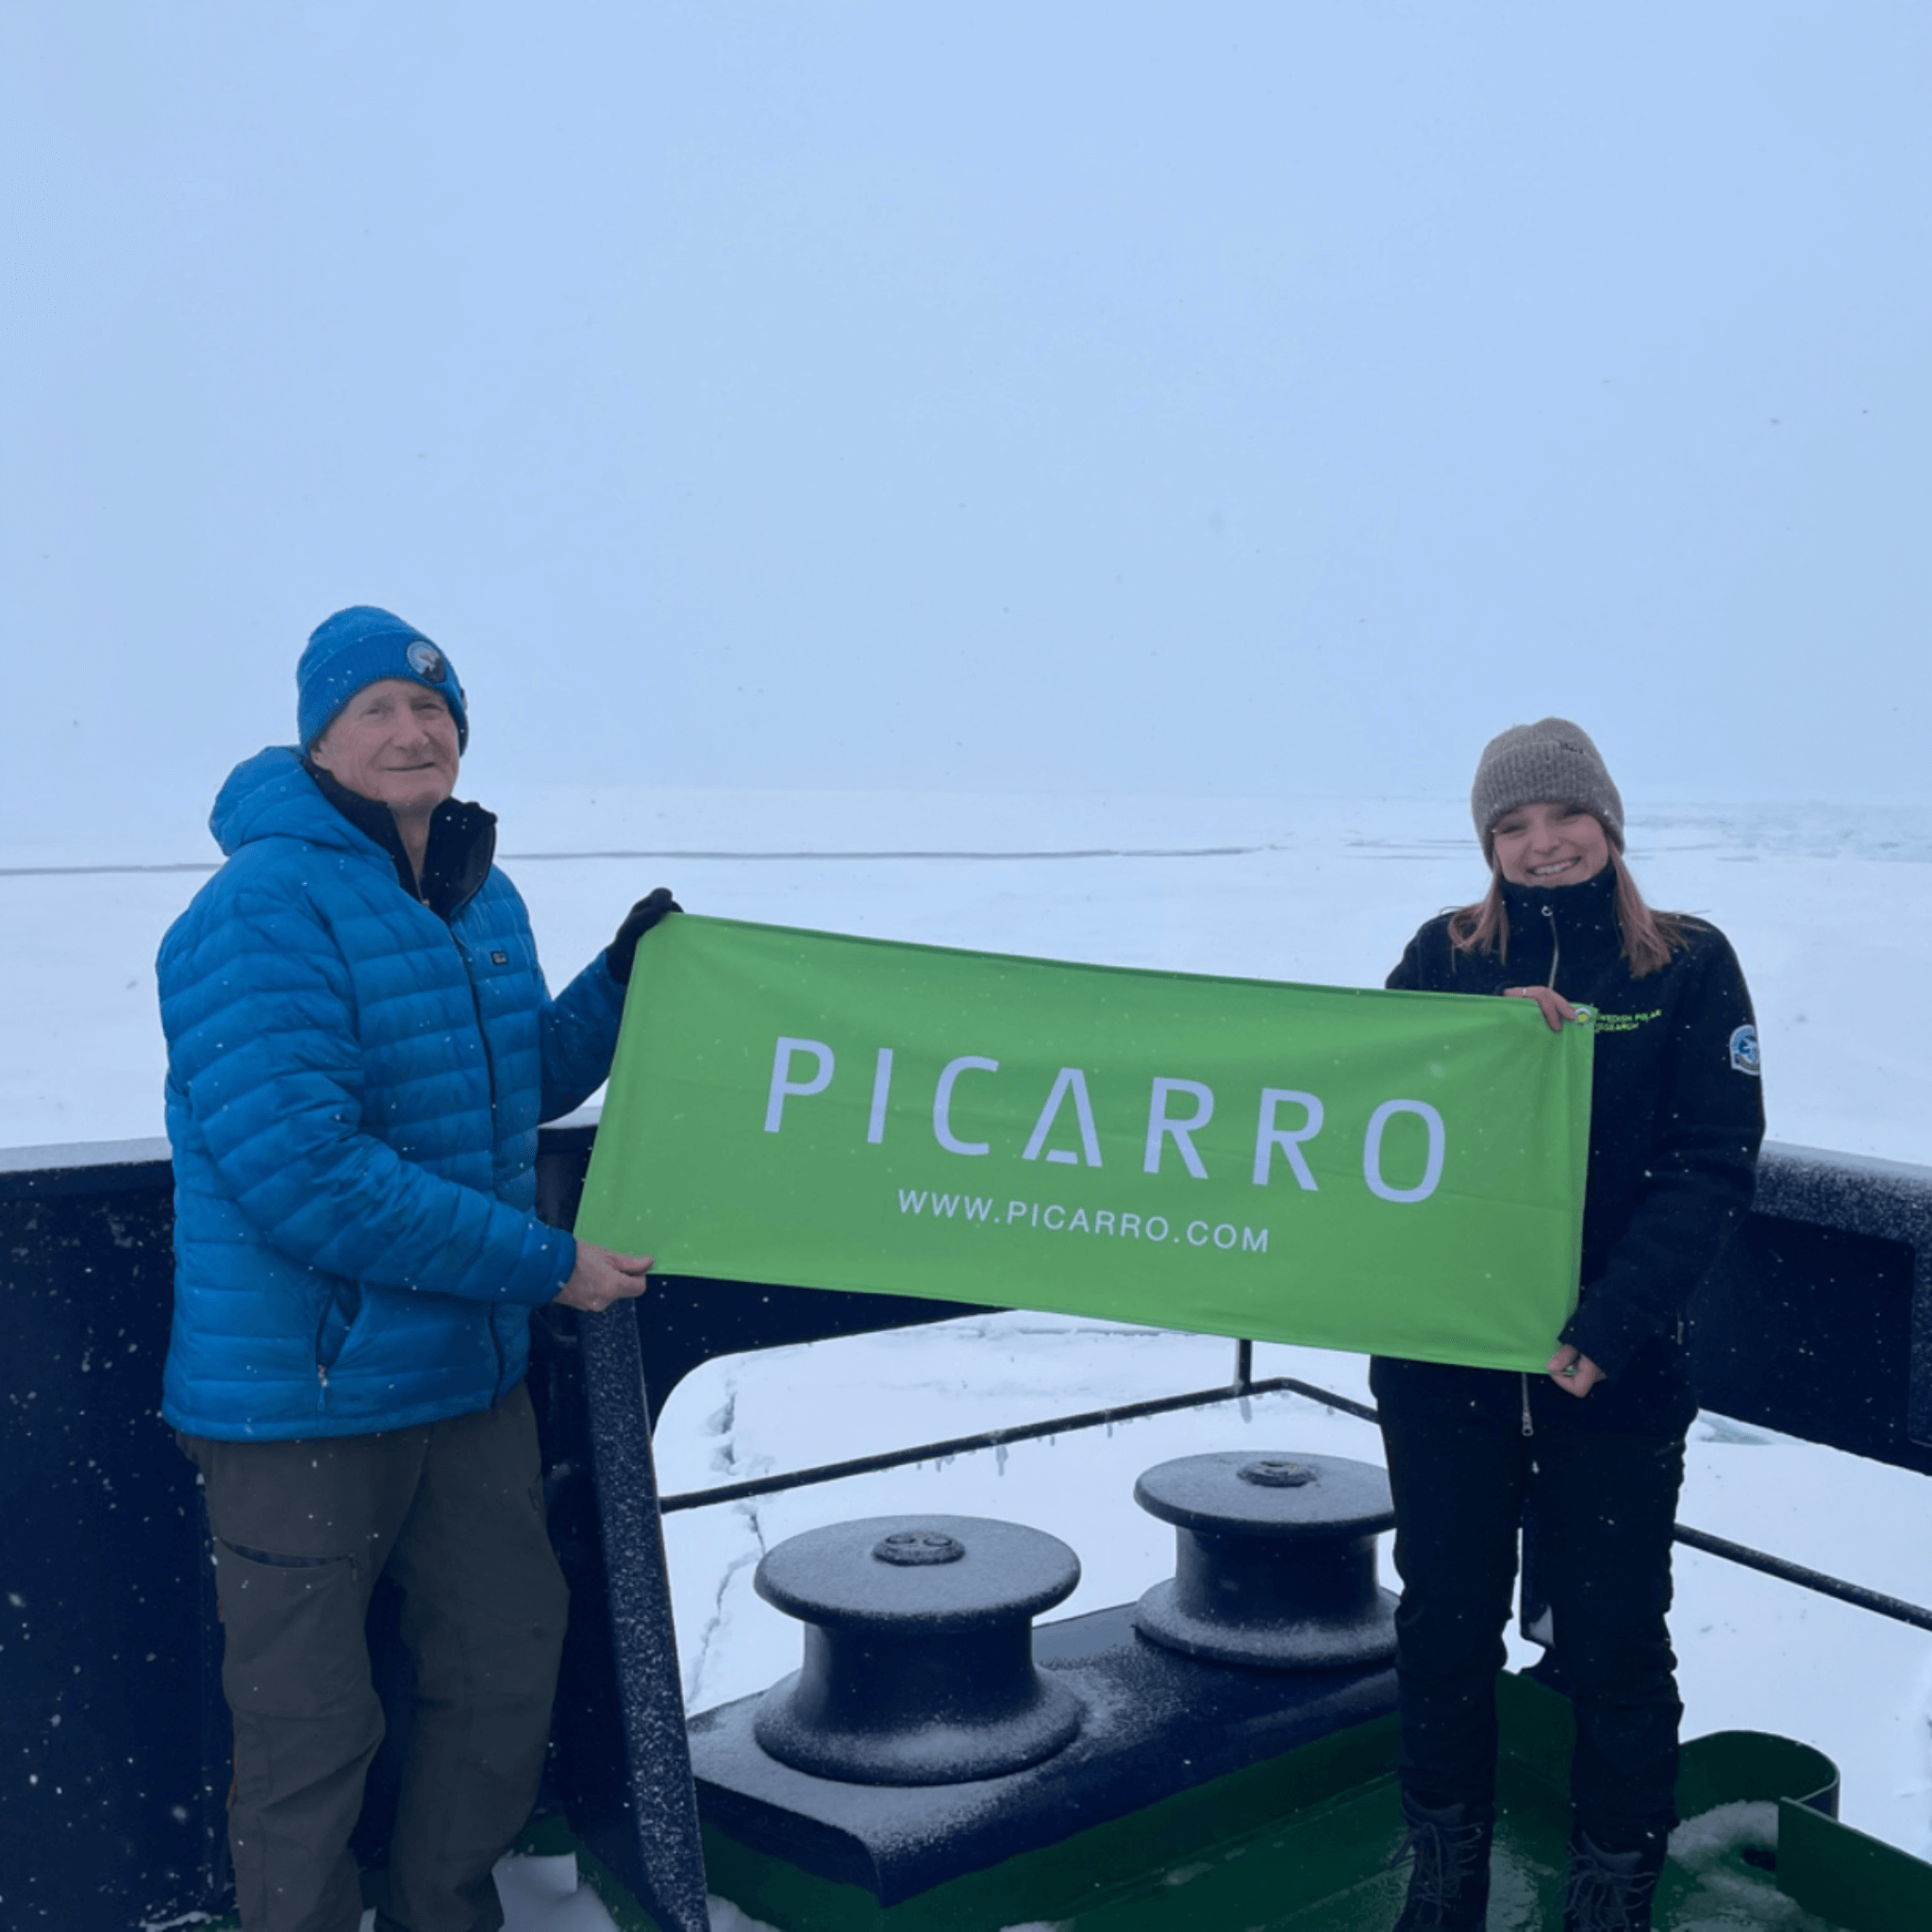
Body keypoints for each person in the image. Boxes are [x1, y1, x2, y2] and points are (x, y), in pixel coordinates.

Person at [158, 606, 677, 1932]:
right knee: (309, 1724)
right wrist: (548, 1264)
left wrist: (622, 984)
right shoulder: (258, 910)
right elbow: (307, 1173)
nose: (413, 731)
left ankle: (445, 1912)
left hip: (463, 1380)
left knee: (505, 1664)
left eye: (434, 709)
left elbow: (515, 1091)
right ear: (320, 740)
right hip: (306, 1395)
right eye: (378, 709)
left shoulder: (472, 893)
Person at [1374, 719, 1764, 1932]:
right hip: (1449, 1363)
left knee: (1612, 1642)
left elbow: (1708, 1163)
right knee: (1442, 1628)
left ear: (1607, 819)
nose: (1541, 844)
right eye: (1511, 825)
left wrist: (1605, 1328)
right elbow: (1369, 1111)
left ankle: (1609, 1894)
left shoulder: (1686, 964)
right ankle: (1443, 1883)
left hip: (1618, 1371)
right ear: (1486, 840)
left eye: (1562, 817)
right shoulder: (1440, 955)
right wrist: (1478, 1041)